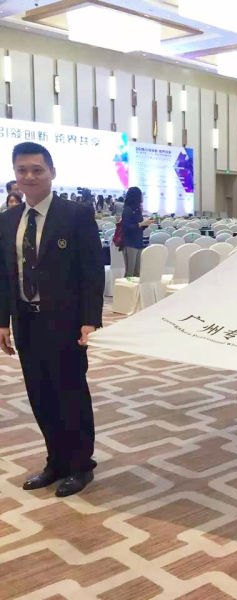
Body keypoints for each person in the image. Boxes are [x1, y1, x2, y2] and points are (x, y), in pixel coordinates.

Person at [0, 142, 104, 497]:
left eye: (37, 169)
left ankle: (80, 465)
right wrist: (3, 322)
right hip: (26, 323)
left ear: (52, 172)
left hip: (66, 323)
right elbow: (4, 276)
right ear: (15, 175)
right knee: (40, 394)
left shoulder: (75, 215)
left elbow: (92, 272)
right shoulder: (8, 220)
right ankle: (56, 461)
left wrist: (90, 320)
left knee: (70, 393)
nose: (29, 176)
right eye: (22, 170)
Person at [120, 187, 155, 277]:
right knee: (130, 272)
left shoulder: (137, 209)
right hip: (129, 243)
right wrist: (140, 224)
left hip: (138, 242)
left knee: (137, 272)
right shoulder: (127, 210)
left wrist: (146, 223)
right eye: (141, 194)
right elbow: (126, 227)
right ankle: (126, 286)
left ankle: (135, 287)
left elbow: (139, 227)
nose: (142, 197)